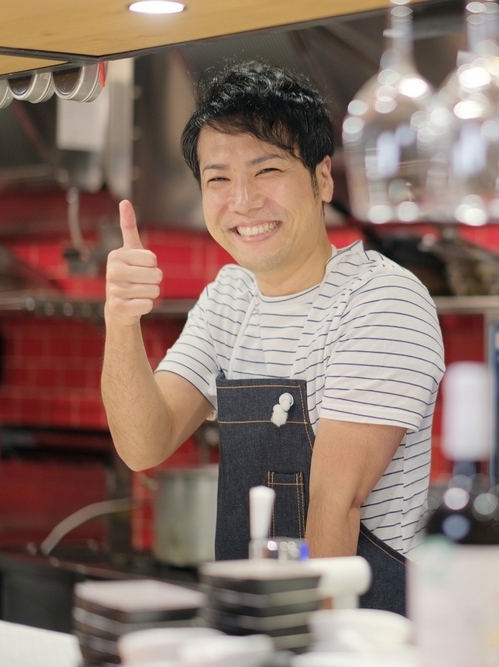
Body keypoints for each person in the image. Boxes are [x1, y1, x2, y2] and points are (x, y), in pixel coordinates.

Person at [101, 61, 445, 615]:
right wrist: (121, 320)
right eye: (218, 179)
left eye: (267, 171)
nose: (242, 201)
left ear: (323, 178)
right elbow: (145, 443)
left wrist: (306, 651)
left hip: (354, 633)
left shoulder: (382, 300)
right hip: (254, 619)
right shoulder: (231, 296)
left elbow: (335, 507)